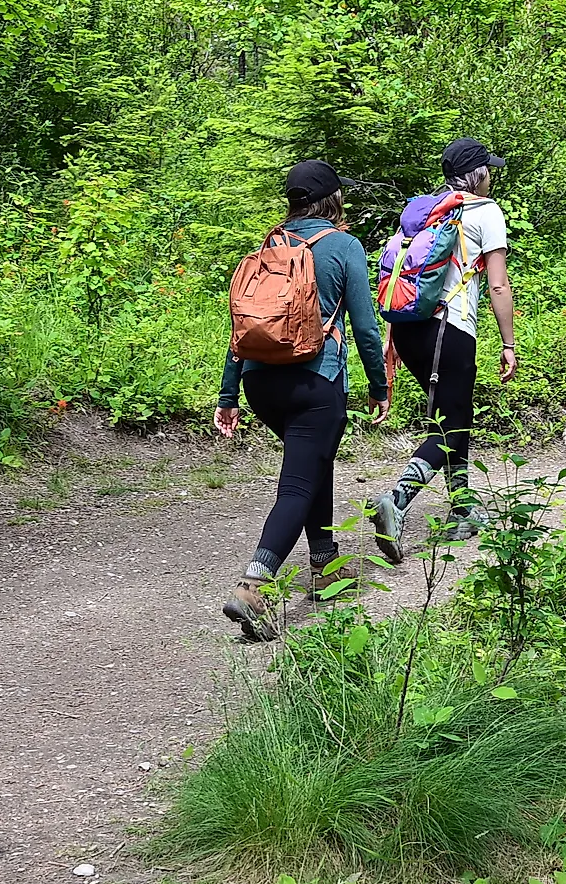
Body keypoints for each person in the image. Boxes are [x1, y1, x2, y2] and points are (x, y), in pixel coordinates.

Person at [214, 160, 390, 640]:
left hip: (260, 385)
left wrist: (229, 393)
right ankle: (254, 585)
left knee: (315, 465)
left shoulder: (269, 247)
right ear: (334, 200)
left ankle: (325, 567)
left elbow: (241, 327)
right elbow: (366, 329)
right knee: (297, 485)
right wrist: (380, 385)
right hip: (316, 383)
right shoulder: (343, 246)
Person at [367, 138, 518, 560]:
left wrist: (390, 338)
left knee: (453, 415)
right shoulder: (486, 212)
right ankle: (395, 501)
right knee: (450, 427)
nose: (492, 175)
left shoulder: (427, 211)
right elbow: (499, 284)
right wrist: (508, 343)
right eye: (488, 169)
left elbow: (401, 273)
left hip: (410, 330)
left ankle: (463, 509)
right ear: (479, 174)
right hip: (450, 330)